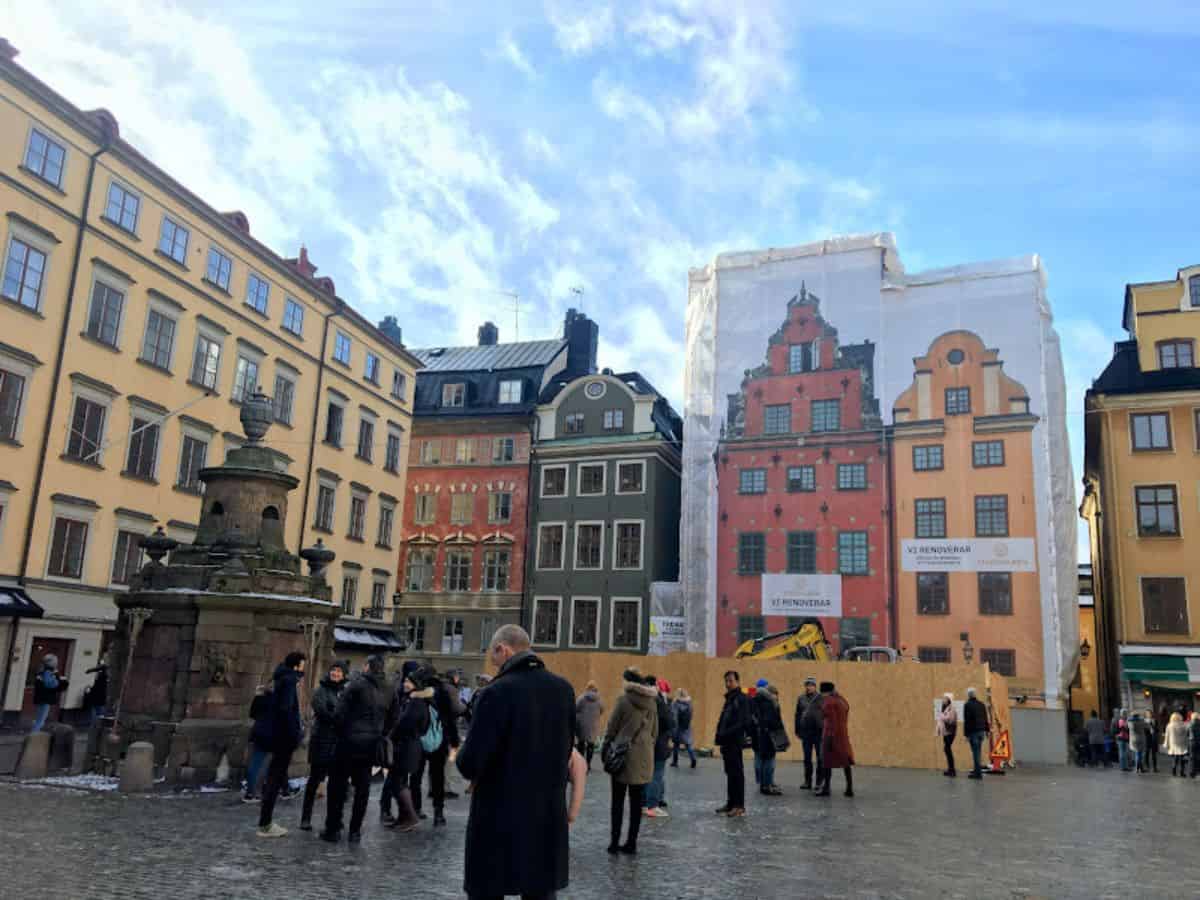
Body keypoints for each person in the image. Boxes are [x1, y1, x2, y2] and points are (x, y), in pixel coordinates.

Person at [456, 625, 575, 900]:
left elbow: (470, 762)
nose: (493, 663)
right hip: (546, 816)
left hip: (498, 818)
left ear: (503, 649)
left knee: (488, 888)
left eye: (493, 656)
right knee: (540, 890)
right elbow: (567, 749)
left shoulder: (496, 692)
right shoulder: (563, 690)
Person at [322, 654, 388, 843]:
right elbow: (392, 717)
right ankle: (355, 832)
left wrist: (341, 731)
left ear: (367, 667)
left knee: (336, 786)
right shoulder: (386, 689)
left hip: (348, 742)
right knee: (362, 789)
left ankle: (333, 829)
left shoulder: (356, 685)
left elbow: (339, 714)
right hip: (370, 744)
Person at [604, 667, 657, 854]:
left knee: (617, 802)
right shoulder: (652, 703)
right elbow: (654, 732)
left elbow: (612, 728)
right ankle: (631, 842)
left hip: (623, 757)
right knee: (636, 804)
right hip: (643, 758)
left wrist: (606, 747)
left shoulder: (623, 701)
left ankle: (614, 842)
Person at [256, 651, 306, 838]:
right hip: (284, 739)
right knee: (274, 780)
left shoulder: (281, 677)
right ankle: (265, 824)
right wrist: (295, 734)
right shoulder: (288, 682)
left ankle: (265, 822)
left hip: (278, 737)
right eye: (302, 664)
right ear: (296, 666)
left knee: (274, 778)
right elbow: (286, 711)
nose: (304, 668)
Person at [384, 665, 434, 833]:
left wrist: (390, 736)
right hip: (408, 746)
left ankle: (411, 817)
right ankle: (403, 818)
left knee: (397, 783)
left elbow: (403, 724)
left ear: (417, 684)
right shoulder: (415, 700)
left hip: (406, 747)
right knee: (398, 782)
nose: (405, 683)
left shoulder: (416, 702)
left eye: (409, 681)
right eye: (405, 680)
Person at [300, 659, 347, 831]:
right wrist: (337, 717)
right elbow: (321, 711)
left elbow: (347, 712)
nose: (336, 674)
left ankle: (334, 819)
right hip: (322, 740)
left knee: (336, 783)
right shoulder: (321, 689)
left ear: (344, 675)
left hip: (338, 742)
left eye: (339, 672)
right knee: (314, 781)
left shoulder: (345, 691)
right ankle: (305, 818)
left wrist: (338, 716)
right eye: (334, 670)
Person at [424, 665, 464, 826]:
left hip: (420, 738)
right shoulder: (444, 692)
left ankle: (416, 809)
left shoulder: (419, 693)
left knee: (416, 775)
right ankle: (438, 813)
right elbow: (450, 715)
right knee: (438, 773)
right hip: (440, 738)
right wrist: (454, 739)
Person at [714, 670, 752, 817]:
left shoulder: (741, 699)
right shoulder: (730, 698)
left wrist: (726, 732)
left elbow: (744, 721)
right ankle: (731, 803)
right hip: (727, 742)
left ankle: (739, 806)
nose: (728, 684)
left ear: (737, 681)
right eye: (726, 681)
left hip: (735, 741)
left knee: (737, 773)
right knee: (730, 773)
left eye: (730, 681)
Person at [815, 681, 854, 798]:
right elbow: (846, 710)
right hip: (843, 735)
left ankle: (826, 788)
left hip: (831, 736)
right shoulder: (842, 700)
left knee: (826, 762)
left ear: (824, 692)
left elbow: (830, 720)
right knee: (846, 762)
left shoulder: (828, 702)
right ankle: (849, 788)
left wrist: (829, 738)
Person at [644, 676, 674, 818]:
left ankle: (644, 804)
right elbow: (668, 721)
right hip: (658, 742)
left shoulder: (640, 699)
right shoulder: (657, 700)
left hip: (645, 743)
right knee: (656, 775)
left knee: (646, 774)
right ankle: (652, 806)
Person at [753, 681, 785, 796]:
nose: (777, 697)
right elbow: (773, 721)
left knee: (762, 760)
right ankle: (766, 785)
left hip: (761, 735)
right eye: (775, 694)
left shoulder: (757, 700)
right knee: (768, 761)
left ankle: (764, 784)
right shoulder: (769, 703)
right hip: (768, 736)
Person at [794, 676, 823, 791]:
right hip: (806, 732)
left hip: (818, 732)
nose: (808, 687)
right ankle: (807, 781)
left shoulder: (821, 698)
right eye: (807, 685)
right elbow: (797, 714)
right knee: (807, 758)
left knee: (820, 758)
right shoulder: (801, 698)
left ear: (815, 686)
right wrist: (797, 729)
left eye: (811, 685)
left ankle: (819, 782)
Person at [31, 654, 65, 732]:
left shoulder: (41, 671)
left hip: (40, 697)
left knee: (39, 719)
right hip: (45, 698)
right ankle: (34, 737)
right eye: (56, 662)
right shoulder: (48, 672)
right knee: (40, 720)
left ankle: (34, 735)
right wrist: (58, 679)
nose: (57, 663)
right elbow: (50, 684)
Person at [575, 681, 605, 772]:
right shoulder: (599, 700)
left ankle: (581, 763)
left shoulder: (582, 698)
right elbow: (602, 709)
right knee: (591, 745)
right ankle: (588, 764)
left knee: (581, 744)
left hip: (582, 724)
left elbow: (576, 708)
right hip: (593, 725)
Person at [963, 687, 990, 780]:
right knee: (978, 752)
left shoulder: (967, 705)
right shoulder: (982, 704)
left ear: (968, 695)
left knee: (975, 753)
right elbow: (985, 718)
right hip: (981, 732)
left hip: (973, 732)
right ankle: (977, 771)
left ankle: (977, 774)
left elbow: (967, 721)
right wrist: (987, 731)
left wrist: (966, 735)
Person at [670, 688, 696, 768]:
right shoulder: (689, 703)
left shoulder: (676, 704)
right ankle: (693, 758)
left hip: (678, 727)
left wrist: (673, 728)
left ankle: (675, 762)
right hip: (687, 727)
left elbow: (674, 717)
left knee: (676, 745)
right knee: (688, 745)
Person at [937, 693, 958, 777]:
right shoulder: (944, 708)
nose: (943, 700)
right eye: (943, 698)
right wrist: (938, 731)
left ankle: (952, 770)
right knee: (947, 750)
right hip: (945, 733)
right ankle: (950, 769)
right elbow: (940, 721)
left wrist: (942, 717)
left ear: (949, 700)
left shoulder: (952, 709)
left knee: (947, 750)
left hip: (950, 732)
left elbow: (951, 721)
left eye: (945, 699)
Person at [83, 658, 109, 725]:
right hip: (100, 699)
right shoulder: (104, 676)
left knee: (96, 715)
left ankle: (95, 727)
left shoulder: (102, 676)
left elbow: (97, 688)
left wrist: (89, 670)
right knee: (99, 714)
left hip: (97, 698)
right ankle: (97, 726)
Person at [1165, 711, 1190, 776]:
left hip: (1173, 743)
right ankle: (1182, 772)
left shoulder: (1169, 725)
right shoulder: (1184, 724)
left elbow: (1167, 735)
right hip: (1182, 743)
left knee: (1175, 759)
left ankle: (1174, 771)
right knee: (1182, 759)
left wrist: (1166, 744)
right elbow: (1188, 733)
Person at [1188, 712, 1200, 778]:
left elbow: (1187, 733)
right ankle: (1198, 770)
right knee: (1198, 757)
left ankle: (1192, 772)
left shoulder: (1189, 724)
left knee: (1192, 758)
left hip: (1191, 742)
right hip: (1199, 742)